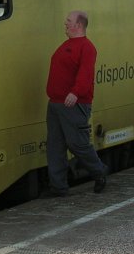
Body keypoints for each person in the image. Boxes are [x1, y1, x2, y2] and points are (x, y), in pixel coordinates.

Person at [45, 10, 107, 196]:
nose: (65, 23)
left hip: (73, 103)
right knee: (55, 145)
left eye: (69, 21)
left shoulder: (87, 47)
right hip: (56, 104)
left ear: (78, 25)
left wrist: (75, 92)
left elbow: (86, 74)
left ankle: (99, 172)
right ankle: (58, 187)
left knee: (77, 143)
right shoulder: (65, 45)